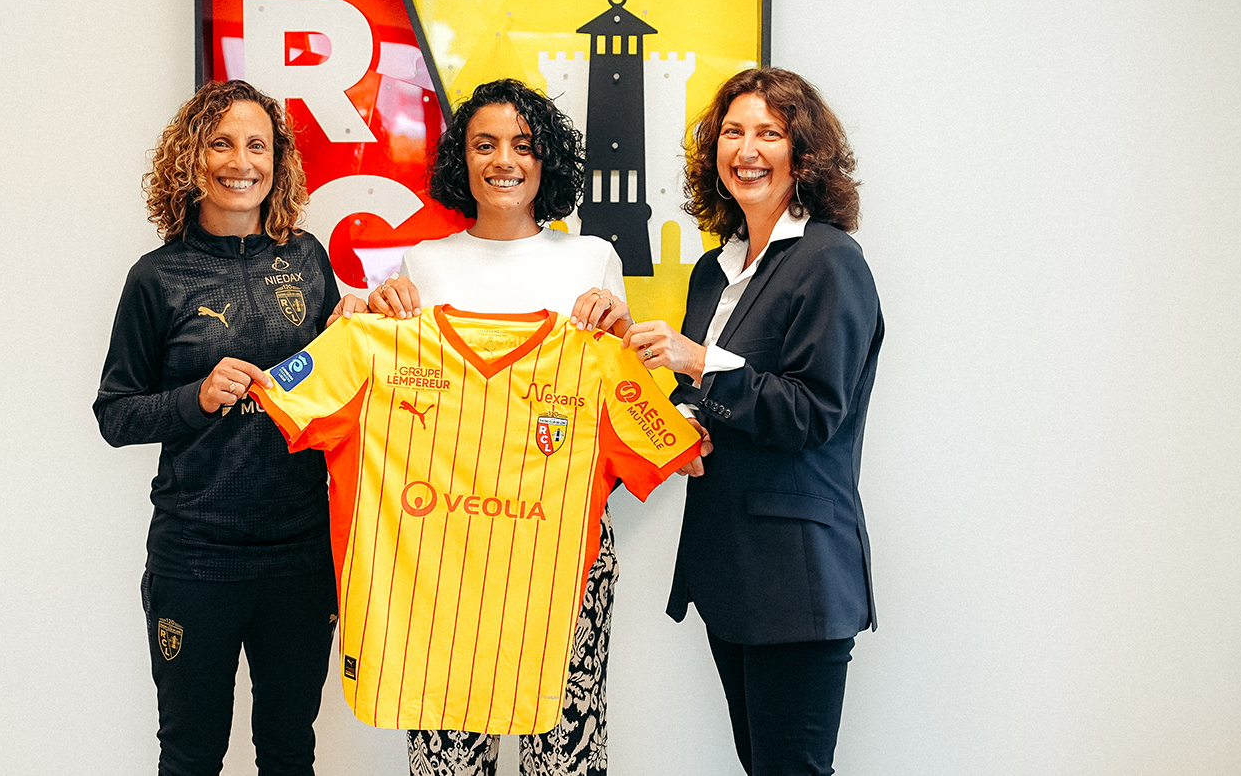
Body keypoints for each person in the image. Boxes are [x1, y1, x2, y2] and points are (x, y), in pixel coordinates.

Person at [344, 78, 668, 776]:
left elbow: (620, 401)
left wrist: (622, 333)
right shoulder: (424, 265)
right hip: (444, 552)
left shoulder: (592, 260)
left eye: (524, 145)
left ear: (547, 159)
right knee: (449, 755)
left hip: (564, 548)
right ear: (460, 159)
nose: (504, 161)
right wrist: (364, 314)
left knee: (565, 755)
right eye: (484, 144)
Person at [623, 68, 884, 776]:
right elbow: (703, 396)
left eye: (769, 133)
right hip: (729, 569)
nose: (747, 149)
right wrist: (683, 424)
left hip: (797, 574)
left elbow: (814, 412)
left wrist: (701, 361)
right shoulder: (714, 272)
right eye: (732, 132)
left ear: (804, 154)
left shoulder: (831, 262)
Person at [93, 80, 340, 776]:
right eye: (221, 143)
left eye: (257, 145)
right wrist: (195, 398)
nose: (241, 161)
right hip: (196, 557)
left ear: (277, 161)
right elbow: (115, 413)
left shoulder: (307, 258)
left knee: (289, 753)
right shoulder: (157, 277)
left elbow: (338, 386)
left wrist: (358, 325)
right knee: (191, 756)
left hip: (300, 555)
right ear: (191, 157)